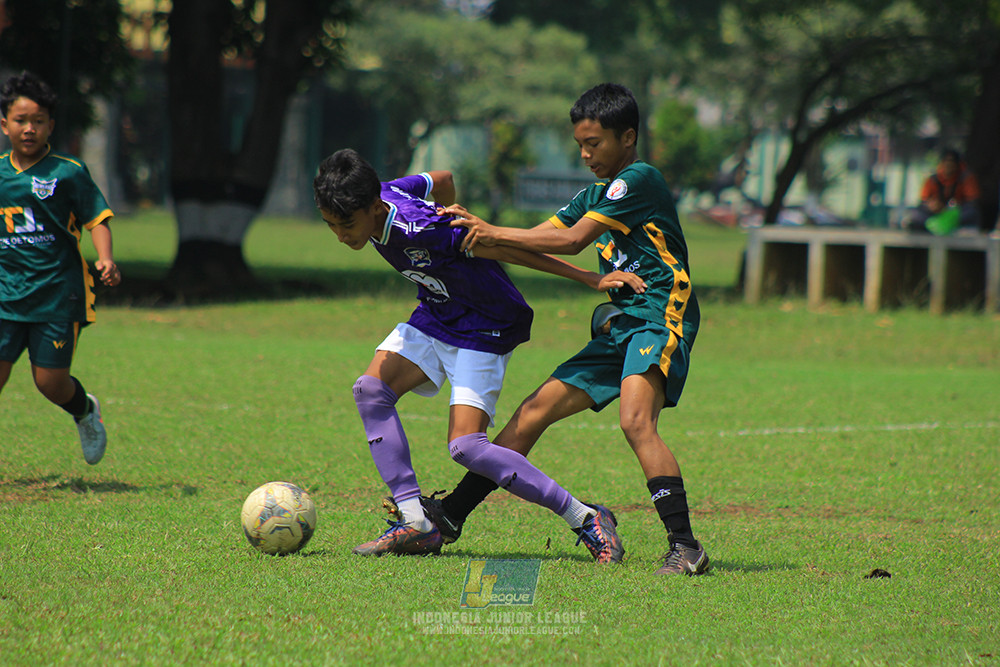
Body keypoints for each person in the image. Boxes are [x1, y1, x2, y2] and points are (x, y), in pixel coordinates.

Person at [430, 82, 709, 576]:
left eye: (594, 143)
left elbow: (575, 240)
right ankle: (451, 515)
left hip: (660, 312)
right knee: (533, 411)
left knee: (635, 420)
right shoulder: (595, 194)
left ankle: (686, 547)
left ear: (628, 137)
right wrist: (472, 236)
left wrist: (493, 230)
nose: (585, 154)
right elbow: (540, 241)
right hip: (620, 323)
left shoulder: (638, 179)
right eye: (579, 144)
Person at [313, 148, 644, 560]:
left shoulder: (423, 229)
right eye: (331, 226)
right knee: (370, 390)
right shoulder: (387, 191)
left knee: (466, 447)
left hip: (484, 323)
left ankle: (585, 517)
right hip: (436, 313)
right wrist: (447, 202)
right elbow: (443, 177)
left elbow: (505, 249)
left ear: (375, 207)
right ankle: (416, 520)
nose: (342, 236)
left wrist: (589, 278)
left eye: (347, 224)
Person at [0, 71, 121, 465]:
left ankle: (84, 410)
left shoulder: (67, 171)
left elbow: (96, 218)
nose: (29, 129)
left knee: (49, 383)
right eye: (21, 120)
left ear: (51, 125)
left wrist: (105, 257)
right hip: (4, 293)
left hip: (56, 292)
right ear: (4, 124)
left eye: (38, 121)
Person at [904, 148, 981, 234]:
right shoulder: (933, 179)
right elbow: (924, 200)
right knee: (917, 213)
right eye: (946, 162)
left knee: (971, 212)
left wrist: (956, 207)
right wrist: (932, 205)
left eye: (952, 163)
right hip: (936, 212)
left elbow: (972, 200)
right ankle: (931, 227)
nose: (949, 166)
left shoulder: (966, 178)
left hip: (957, 213)